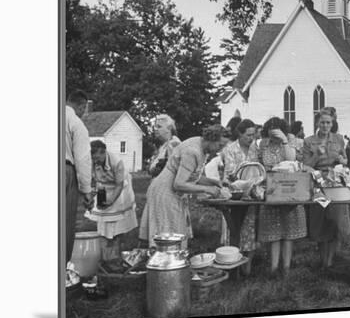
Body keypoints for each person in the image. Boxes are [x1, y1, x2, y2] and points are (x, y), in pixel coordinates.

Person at [139, 125, 231, 247]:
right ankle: (164, 263)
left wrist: (214, 182)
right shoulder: (192, 151)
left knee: (176, 233)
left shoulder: (201, 145)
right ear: (211, 139)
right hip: (165, 192)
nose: (220, 150)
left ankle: (173, 261)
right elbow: (179, 184)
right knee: (168, 236)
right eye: (220, 145)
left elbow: (192, 177)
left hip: (171, 191)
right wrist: (207, 189)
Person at [252, 117, 307, 276]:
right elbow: (258, 165)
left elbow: (292, 159)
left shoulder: (291, 141)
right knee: (274, 230)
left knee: (289, 230)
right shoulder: (263, 144)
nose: (273, 135)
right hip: (271, 188)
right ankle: (274, 268)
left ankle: (287, 267)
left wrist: (284, 140)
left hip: (290, 188)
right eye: (271, 131)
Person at [303, 108, 349, 268]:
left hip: (336, 183)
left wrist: (342, 160)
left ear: (332, 123)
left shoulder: (339, 139)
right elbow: (305, 166)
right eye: (322, 122)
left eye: (328, 122)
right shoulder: (309, 141)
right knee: (320, 221)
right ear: (317, 123)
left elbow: (345, 160)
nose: (325, 125)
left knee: (335, 221)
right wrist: (316, 154)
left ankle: (331, 259)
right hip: (318, 185)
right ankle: (323, 260)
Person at [86, 140, 138, 271]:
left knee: (116, 228)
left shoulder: (116, 162)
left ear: (104, 152)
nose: (95, 161)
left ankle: (115, 258)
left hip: (119, 190)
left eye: (97, 157)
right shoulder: (92, 161)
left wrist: (111, 201)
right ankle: (106, 257)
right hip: (103, 188)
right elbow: (91, 181)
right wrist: (90, 197)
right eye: (93, 158)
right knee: (103, 226)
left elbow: (119, 185)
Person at [220, 119, 259, 272]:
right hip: (235, 195)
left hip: (252, 195)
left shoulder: (254, 149)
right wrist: (245, 184)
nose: (251, 138)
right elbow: (230, 175)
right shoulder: (230, 149)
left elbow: (258, 171)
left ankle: (247, 270)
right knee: (234, 230)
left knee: (249, 231)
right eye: (248, 135)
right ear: (240, 134)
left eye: (253, 135)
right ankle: (232, 267)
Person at [65, 91, 94, 267]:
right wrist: (86, 191)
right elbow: (83, 159)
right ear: (82, 106)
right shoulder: (75, 122)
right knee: (64, 223)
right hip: (64, 170)